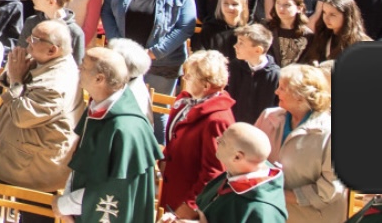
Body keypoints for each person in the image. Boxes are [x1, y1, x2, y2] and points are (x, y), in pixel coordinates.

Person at [59, 47, 161, 223]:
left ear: (99, 79)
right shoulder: (99, 108)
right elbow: (81, 165)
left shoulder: (125, 128)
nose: (78, 71)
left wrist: (65, 205)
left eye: (82, 67)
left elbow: (113, 189)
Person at [0, 19, 83, 192]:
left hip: (36, 169)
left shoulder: (56, 82)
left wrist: (16, 80)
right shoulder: (45, 61)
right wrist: (14, 73)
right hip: (18, 159)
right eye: (31, 36)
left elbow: (23, 116)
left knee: (34, 217)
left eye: (36, 40)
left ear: (52, 49)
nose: (29, 41)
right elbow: (12, 80)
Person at [253, 64, 344, 223]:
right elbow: (248, 155)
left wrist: (280, 194)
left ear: (300, 96)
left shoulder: (330, 132)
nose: (276, 92)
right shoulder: (268, 117)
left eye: (282, 88)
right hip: (270, 214)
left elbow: (331, 187)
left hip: (313, 218)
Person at [161, 49, 239, 216]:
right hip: (171, 191)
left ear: (206, 85)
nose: (184, 79)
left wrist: (190, 206)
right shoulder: (185, 102)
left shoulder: (217, 119)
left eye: (189, 76)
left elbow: (214, 172)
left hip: (186, 205)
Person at [189, 123, 289, 223]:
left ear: (237, 157)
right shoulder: (235, 174)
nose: (217, 139)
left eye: (223, 141)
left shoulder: (263, 212)